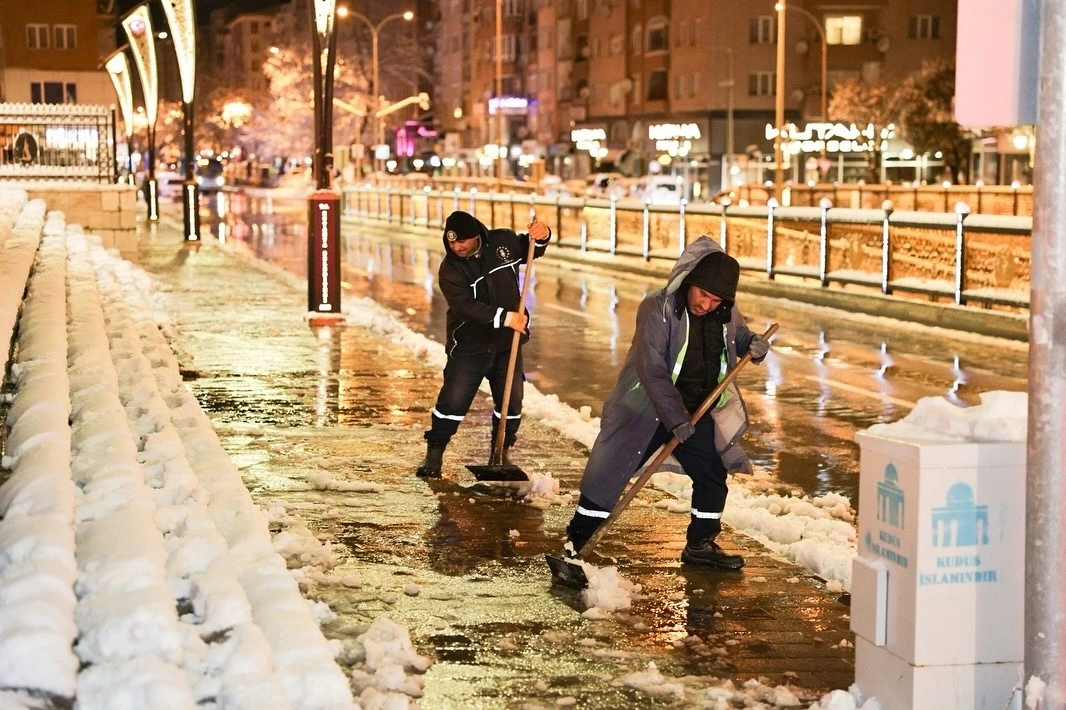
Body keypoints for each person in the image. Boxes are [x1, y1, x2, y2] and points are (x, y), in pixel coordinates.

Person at [562, 236, 770, 569]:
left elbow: (737, 335)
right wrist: (675, 418)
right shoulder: (657, 308)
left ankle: (700, 543)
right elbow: (652, 369)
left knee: (712, 474)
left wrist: (753, 345)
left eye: (716, 301)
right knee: (610, 472)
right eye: (702, 295)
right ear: (690, 282)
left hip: (695, 410)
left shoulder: (724, 313)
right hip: (645, 408)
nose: (706, 305)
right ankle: (578, 542)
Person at [416, 210, 552, 478]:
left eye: (462, 241)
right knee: (453, 402)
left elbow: (531, 249)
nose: (457, 247)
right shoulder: (451, 268)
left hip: (507, 344)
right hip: (470, 345)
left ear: (476, 236)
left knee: (511, 404)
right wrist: (505, 317)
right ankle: (434, 454)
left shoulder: (503, 242)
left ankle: (500, 453)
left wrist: (543, 236)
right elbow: (465, 307)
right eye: (451, 242)